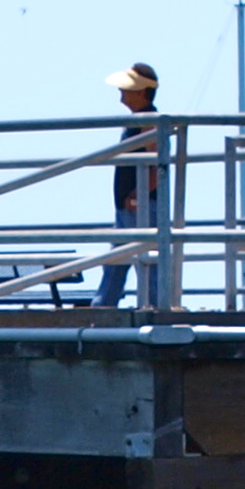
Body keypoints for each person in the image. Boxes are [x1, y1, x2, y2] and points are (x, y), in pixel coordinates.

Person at [93, 63, 161, 309]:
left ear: (142, 91)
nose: (122, 91)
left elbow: (158, 162)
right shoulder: (140, 119)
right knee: (117, 260)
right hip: (131, 205)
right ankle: (103, 305)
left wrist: (140, 196)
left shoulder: (149, 120)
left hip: (141, 205)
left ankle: (153, 305)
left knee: (145, 259)